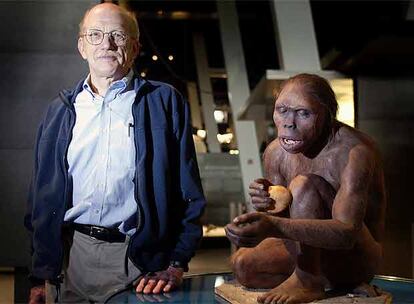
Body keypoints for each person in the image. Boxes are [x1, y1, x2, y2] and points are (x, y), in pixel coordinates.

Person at [24, 3, 205, 303]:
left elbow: (189, 192)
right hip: (70, 261)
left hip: (139, 265)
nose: (106, 44)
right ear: (82, 46)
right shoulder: (58, 111)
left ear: (134, 47)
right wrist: (41, 272)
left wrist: (175, 263)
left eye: (117, 36)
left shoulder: (163, 103)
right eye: (95, 35)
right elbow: (39, 199)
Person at [225, 73, 386, 304]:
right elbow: (284, 218)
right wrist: (266, 206)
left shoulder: (354, 152)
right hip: (309, 250)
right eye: (283, 110)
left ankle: (308, 282)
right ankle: (319, 279)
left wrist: (273, 225)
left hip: (355, 256)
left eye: (303, 113)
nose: (289, 123)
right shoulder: (275, 152)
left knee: (303, 185)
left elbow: (347, 234)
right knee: (243, 266)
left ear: (327, 115)